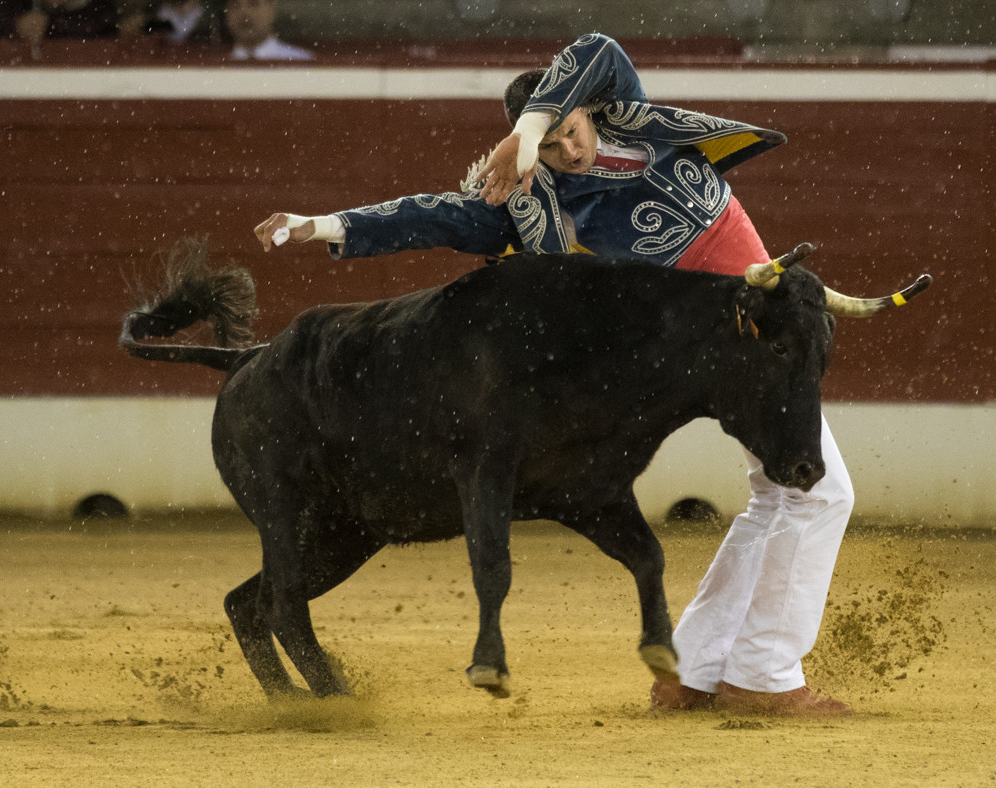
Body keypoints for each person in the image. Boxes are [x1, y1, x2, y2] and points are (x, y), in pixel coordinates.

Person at [253, 33, 852, 716]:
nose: (568, 152)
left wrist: (529, 128)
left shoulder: (629, 116)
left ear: (582, 112)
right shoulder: (530, 200)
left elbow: (596, 48)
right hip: (726, 345)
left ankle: (700, 671)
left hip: (752, 331)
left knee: (781, 497)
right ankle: (762, 677)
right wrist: (322, 224)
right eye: (550, 148)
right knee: (817, 493)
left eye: (569, 132)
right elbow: (428, 216)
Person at [0, 0, 117, 42]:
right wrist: (13, 25)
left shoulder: (103, 10)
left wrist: (52, 25)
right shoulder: (13, 6)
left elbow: (99, 27)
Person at [223, 0, 312, 61]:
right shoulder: (216, 69)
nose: (244, 13)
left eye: (253, 4)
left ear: (271, 10)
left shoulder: (301, 62)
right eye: (235, 5)